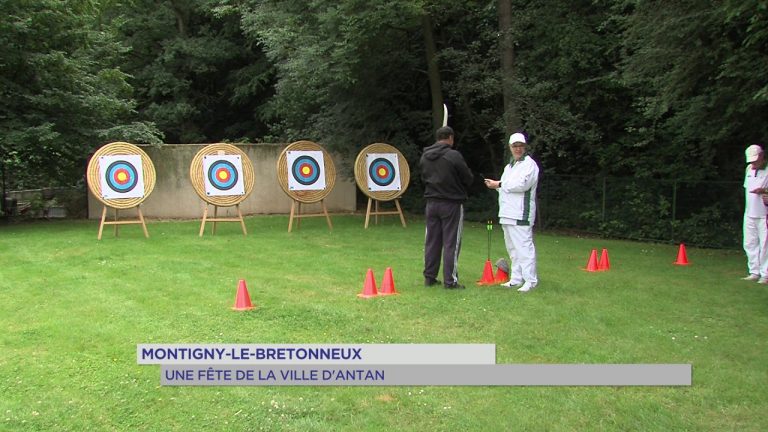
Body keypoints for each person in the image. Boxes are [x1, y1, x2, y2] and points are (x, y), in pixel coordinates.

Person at [484, 132, 539, 292]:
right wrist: (496, 186)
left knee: (524, 247)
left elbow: (522, 185)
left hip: (521, 213)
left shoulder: (530, 165)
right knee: (513, 248)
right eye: (515, 146)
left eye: (520, 146)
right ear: (510, 147)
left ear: (525, 147)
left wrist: (499, 184)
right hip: (507, 213)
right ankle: (516, 278)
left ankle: (531, 280)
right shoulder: (509, 167)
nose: (518, 149)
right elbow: (505, 188)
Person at [421, 126, 474, 289]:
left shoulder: (425, 156)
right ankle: (450, 281)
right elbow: (467, 177)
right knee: (451, 242)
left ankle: (429, 277)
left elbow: (423, 177)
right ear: (450, 138)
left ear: (438, 138)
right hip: (451, 203)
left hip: (431, 203)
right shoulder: (453, 155)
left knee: (432, 241)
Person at [742, 144, 768, 283]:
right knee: (749, 243)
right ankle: (754, 271)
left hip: (764, 214)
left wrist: (764, 191)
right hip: (749, 212)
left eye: (755, 160)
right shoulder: (748, 169)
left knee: (765, 245)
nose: (753, 163)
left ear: (762, 156)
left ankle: (765, 274)